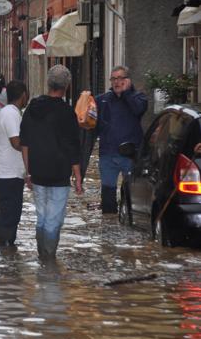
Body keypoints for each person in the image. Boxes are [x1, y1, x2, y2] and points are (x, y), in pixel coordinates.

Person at [20, 65, 82, 259]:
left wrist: (27, 171)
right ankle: (48, 260)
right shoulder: (67, 112)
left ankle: (42, 257)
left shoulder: (32, 108)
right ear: (67, 87)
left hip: (37, 170)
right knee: (53, 219)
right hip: (59, 172)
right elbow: (73, 146)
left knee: (42, 216)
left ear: (48, 84)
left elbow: (25, 142)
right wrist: (78, 177)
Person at [95, 65, 148, 214]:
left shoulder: (139, 98)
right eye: (113, 78)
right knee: (107, 193)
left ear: (128, 80)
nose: (117, 82)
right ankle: (108, 226)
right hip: (108, 154)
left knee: (131, 193)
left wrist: (126, 94)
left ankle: (129, 221)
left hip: (130, 155)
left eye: (120, 78)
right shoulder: (103, 100)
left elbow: (138, 109)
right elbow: (90, 121)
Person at [0, 80, 29, 248]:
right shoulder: (11, 114)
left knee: (8, 213)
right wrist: (34, 149)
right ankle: (6, 248)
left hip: (3, 172)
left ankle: (6, 253)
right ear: (23, 96)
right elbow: (16, 142)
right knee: (11, 214)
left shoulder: (4, 112)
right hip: (8, 174)